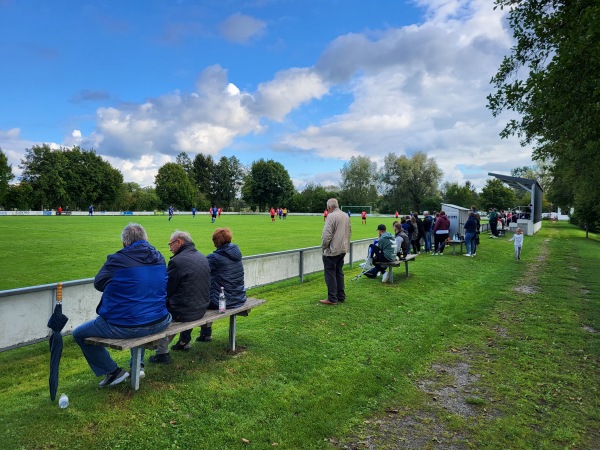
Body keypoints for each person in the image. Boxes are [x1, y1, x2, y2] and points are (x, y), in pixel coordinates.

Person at [72, 223, 171, 387]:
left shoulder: (118, 260)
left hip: (129, 325)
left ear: (125, 242)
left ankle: (113, 372)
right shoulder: (159, 256)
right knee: (136, 311)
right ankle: (137, 366)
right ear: (145, 239)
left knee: (79, 333)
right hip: (161, 321)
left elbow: (99, 283)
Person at [148, 231, 210, 364]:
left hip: (186, 312)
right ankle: (184, 341)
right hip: (201, 308)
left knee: (162, 311)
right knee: (183, 302)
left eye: (170, 244)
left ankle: (162, 353)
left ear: (179, 242)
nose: (169, 248)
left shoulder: (176, 262)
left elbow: (166, 290)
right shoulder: (202, 257)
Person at [196, 227, 247, 341]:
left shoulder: (214, 258)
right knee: (211, 293)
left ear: (215, 242)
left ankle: (190, 339)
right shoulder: (236, 254)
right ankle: (205, 334)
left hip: (224, 301)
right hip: (239, 297)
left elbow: (199, 272)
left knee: (195, 301)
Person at [319, 198, 351, 305]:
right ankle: (341, 296)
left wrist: (324, 247)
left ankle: (332, 298)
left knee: (330, 273)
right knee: (339, 272)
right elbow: (349, 231)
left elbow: (326, 235)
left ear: (328, 207)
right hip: (343, 249)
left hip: (332, 250)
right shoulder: (346, 215)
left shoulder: (331, 216)